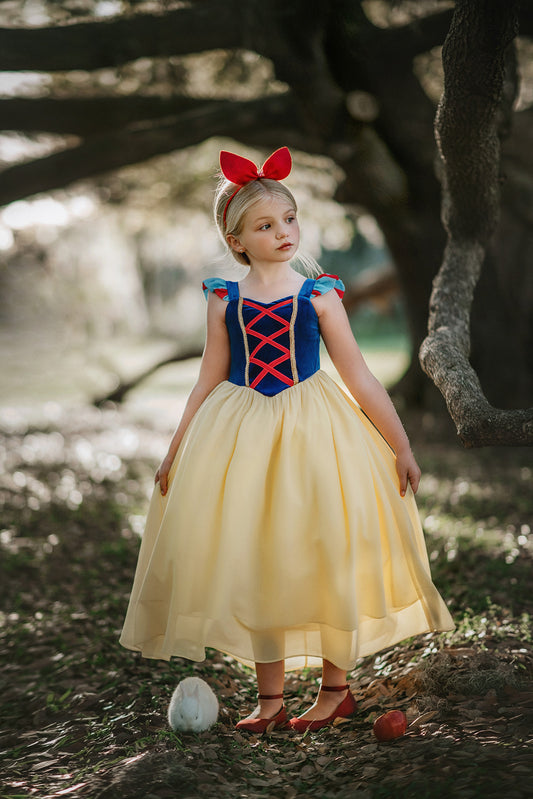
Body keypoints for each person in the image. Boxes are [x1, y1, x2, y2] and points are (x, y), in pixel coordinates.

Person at [120, 146, 454, 733]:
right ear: (238, 240)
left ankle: (334, 690)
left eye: (290, 219)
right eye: (265, 225)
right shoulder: (224, 299)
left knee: (323, 548)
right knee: (259, 555)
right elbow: (207, 377)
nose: (283, 232)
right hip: (241, 433)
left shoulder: (319, 294)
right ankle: (270, 702)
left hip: (316, 431)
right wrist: (176, 450)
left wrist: (401, 445)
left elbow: (359, 375)